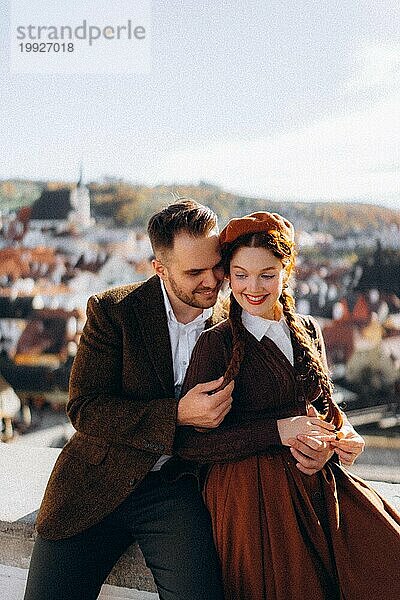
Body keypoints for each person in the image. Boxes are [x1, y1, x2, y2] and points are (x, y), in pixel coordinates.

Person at [24, 200, 335, 600]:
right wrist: (177, 414)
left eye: (217, 267)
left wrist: (329, 441)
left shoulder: (237, 318)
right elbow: (85, 408)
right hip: (97, 480)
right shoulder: (113, 311)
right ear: (161, 269)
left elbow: (292, 401)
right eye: (194, 272)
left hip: (176, 489)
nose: (212, 281)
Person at [174, 211, 400, 600]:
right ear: (227, 275)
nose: (253, 288)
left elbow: (320, 405)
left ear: (287, 269)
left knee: (386, 551)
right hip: (250, 495)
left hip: (313, 475)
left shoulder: (308, 329)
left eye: (267, 274)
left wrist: (341, 436)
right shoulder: (217, 344)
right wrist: (278, 431)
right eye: (241, 274)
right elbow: (191, 445)